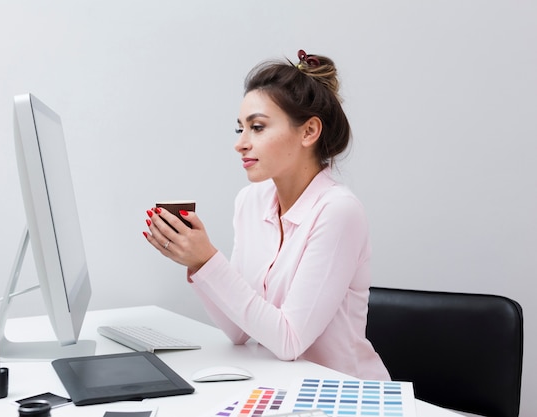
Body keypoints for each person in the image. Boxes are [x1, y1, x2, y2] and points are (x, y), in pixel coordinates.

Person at [143, 50, 390, 381]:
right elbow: (238, 330)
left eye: (257, 127)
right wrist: (198, 263)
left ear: (309, 132)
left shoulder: (338, 211)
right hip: (285, 388)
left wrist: (210, 260)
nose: (241, 144)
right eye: (240, 129)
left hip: (346, 394)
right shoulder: (251, 202)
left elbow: (289, 340)